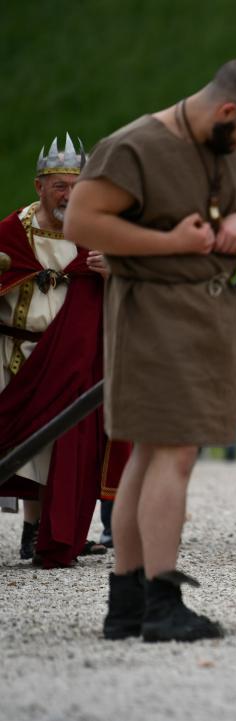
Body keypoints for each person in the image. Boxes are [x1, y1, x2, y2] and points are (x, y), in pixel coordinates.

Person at [65, 59, 236, 642]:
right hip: (152, 314)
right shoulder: (133, 147)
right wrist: (168, 242)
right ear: (227, 110)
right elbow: (82, 221)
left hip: (206, 317)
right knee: (174, 453)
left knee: (150, 454)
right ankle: (161, 600)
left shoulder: (226, 148)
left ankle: (127, 601)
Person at [0, 135, 131, 568]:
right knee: (23, 449)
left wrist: (114, 273)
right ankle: (36, 529)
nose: (69, 195)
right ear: (39, 187)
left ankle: (50, 534)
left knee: (65, 450)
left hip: (75, 362)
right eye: (60, 186)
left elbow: (138, 289)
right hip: (14, 357)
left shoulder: (96, 234)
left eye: (77, 186)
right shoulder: (11, 234)